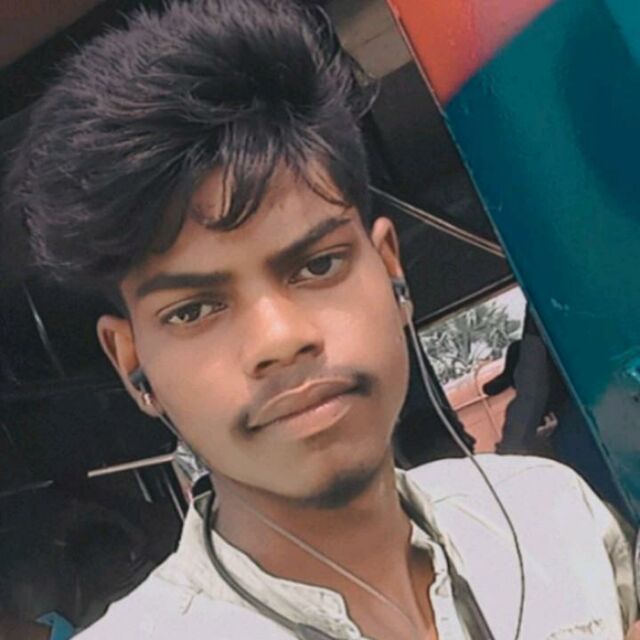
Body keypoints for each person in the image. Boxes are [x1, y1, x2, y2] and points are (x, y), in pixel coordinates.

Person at [4, 1, 637, 638]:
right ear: (134, 365)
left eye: (317, 265)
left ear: (390, 271)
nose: (280, 339)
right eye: (193, 310)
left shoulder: (550, 517)